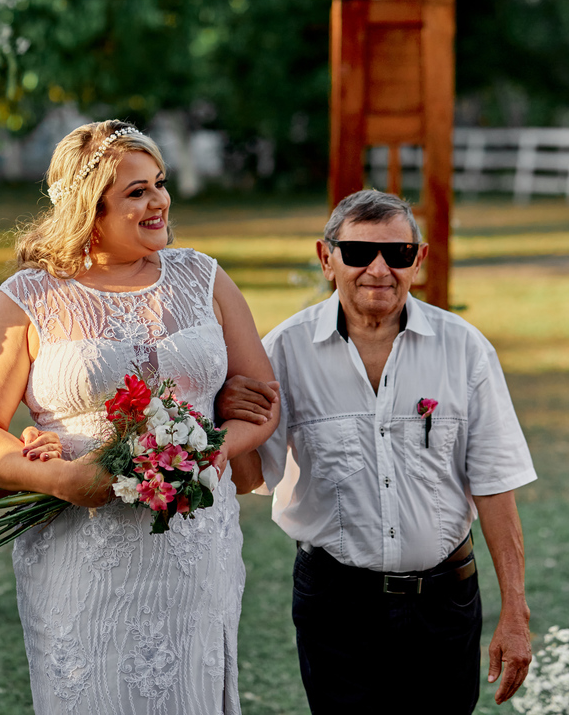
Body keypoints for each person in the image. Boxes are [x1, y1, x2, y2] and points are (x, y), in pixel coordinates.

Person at [0, 120, 279, 714]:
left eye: (159, 183)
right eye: (137, 192)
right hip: (81, 552)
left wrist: (201, 452)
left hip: (193, 549)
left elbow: (260, 398)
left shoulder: (203, 277)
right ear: (89, 208)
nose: (160, 201)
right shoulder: (27, 298)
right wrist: (52, 478)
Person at [219, 189, 536, 713]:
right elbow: (249, 476)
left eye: (398, 254)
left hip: (446, 601)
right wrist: (225, 412)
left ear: (420, 259)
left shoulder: (465, 349)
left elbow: (495, 484)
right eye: (360, 253)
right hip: (335, 604)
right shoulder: (283, 351)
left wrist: (516, 614)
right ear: (327, 259)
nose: (379, 270)